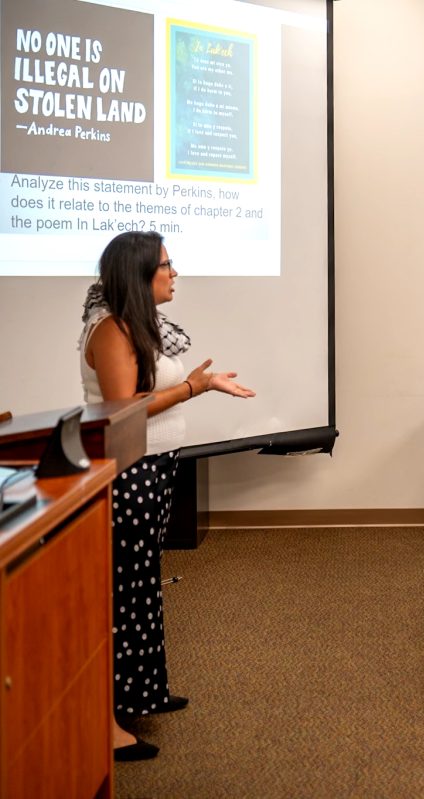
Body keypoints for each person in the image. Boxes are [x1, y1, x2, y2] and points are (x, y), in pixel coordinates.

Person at [80, 231, 254, 761]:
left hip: (153, 468)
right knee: (123, 591)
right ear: (139, 274)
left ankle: (141, 692)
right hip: (128, 472)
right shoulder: (110, 328)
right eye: (165, 265)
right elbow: (122, 407)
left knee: (141, 584)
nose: (174, 273)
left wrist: (199, 383)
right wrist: (193, 389)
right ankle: (103, 719)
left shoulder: (139, 324)